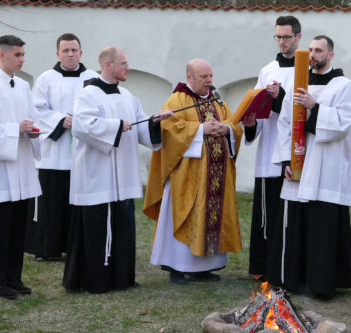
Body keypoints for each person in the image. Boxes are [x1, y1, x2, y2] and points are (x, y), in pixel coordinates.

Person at [62, 46, 172, 293]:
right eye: (123, 63)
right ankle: (95, 280)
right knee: (97, 228)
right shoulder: (87, 94)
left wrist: (155, 121)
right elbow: (81, 127)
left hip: (122, 173)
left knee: (122, 226)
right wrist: (115, 126)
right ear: (108, 65)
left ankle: (121, 278)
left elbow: (140, 126)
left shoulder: (127, 95)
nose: (127, 67)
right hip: (96, 174)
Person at [271, 36, 351, 299]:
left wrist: (314, 107)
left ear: (331, 55)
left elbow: (344, 123)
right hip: (298, 166)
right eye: (310, 50)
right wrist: (286, 160)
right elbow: (285, 123)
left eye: (319, 50)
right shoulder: (297, 82)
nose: (313, 54)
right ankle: (292, 280)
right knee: (294, 224)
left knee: (323, 228)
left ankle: (321, 283)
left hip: (326, 167)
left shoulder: (344, 86)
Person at [143, 58, 243, 285]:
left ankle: (205, 268)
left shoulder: (218, 101)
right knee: (183, 216)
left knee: (211, 216)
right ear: (190, 78)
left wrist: (225, 128)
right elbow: (169, 130)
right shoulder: (177, 100)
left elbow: (234, 124)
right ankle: (177, 267)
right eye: (204, 77)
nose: (209, 81)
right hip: (185, 177)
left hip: (215, 177)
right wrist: (200, 129)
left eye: (211, 76)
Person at [25, 33, 98, 262]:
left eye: (73, 50)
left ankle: (78, 248)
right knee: (52, 205)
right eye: (65, 50)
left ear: (81, 52)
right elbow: (36, 110)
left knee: (78, 203)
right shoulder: (46, 79)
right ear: (57, 53)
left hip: (83, 152)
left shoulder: (93, 78)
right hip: (53, 154)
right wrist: (62, 120)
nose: (69, 54)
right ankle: (48, 248)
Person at [242, 15, 301, 281]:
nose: (281, 42)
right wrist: (251, 121)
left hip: (295, 150)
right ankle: (264, 266)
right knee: (268, 212)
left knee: (293, 212)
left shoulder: (306, 70)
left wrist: (282, 99)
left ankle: (290, 265)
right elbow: (257, 109)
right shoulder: (267, 70)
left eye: (286, 37)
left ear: (298, 37)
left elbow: (303, 109)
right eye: (278, 36)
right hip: (269, 151)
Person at [0, 35, 42, 299]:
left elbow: (33, 118)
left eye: (23, 55)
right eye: (17, 55)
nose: (22, 59)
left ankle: (13, 276)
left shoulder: (23, 86)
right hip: (1, 165)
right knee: (0, 225)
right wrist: (13, 130)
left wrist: (32, 131)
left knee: (19, 224)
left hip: (22, 162)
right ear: (2, 54)